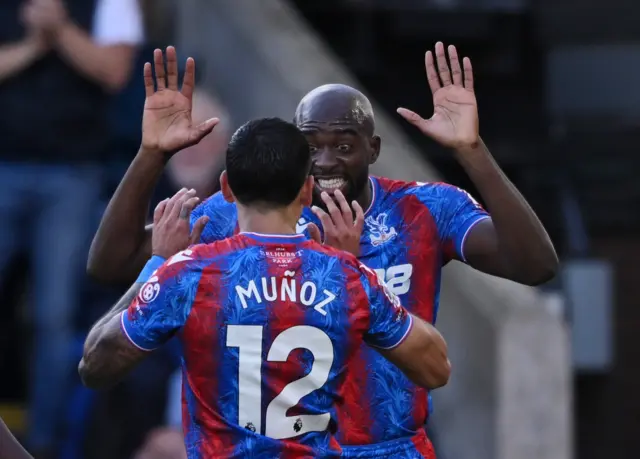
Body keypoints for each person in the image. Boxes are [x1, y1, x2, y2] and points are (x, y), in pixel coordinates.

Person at [87, 44, 558, 456]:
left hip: (388, 446)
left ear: (373, 149)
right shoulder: (253, 210)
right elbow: (110, 261)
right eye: (311, 146)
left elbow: (534, 264)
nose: (327, 161)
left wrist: (472, 150)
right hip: (282, 447)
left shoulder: (424, 208)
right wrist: (150, 154)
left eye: (344, 145)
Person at [78, 117, 451, 458]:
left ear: (225, 188)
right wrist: (351, 277)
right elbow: (436, 369)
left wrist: (158, 264)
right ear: (307, 192)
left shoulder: (189, 273)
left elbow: (95, 364)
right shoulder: (348, 277)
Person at [0, 0, 143, 455]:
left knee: (54, 316)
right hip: (3, 165)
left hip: (72, 175)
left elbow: (115, 70)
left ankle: (42, 443)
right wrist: (35, 44)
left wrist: (58, 29)